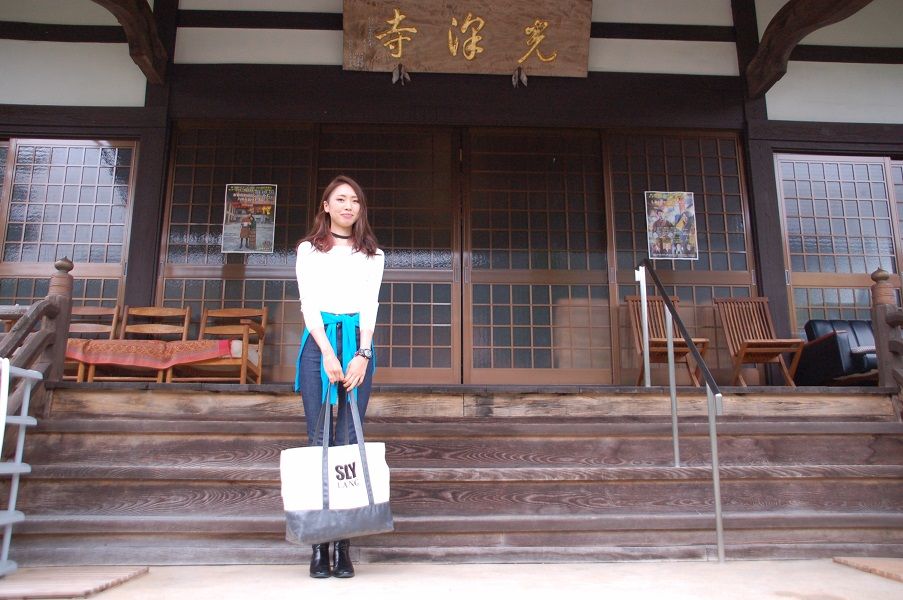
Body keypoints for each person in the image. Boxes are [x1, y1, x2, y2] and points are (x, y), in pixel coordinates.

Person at [294, 175, 385, 579]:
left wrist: (363, 354)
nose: (349, 206)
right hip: (319, 345)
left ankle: (343, 546)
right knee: (319, 440)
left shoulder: (373, 255)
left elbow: (370, 305)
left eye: (355, 201)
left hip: (358, 346)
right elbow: (308, 304)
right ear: (326, 206)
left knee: (348, 440)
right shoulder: (309, 250)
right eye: (341, 199)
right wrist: (328, 354)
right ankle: (319, 545)